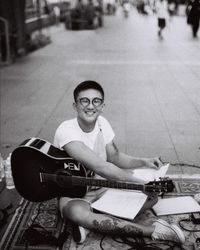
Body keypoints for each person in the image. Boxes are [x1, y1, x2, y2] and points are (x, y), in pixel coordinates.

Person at [54, 80, 185, 244]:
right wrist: (142, 183)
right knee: (75, 213)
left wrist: (144, 161)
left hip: (102, 187)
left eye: (96, 101)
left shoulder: (102, 123)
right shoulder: (66, 130)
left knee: (152, 199)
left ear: (103, 106)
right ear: (75, 106)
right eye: (84, 101)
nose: (90, 106)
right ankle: (155, 230)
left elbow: (115, 157)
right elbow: (100, 166)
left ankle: (90, 223)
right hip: (73, 192)